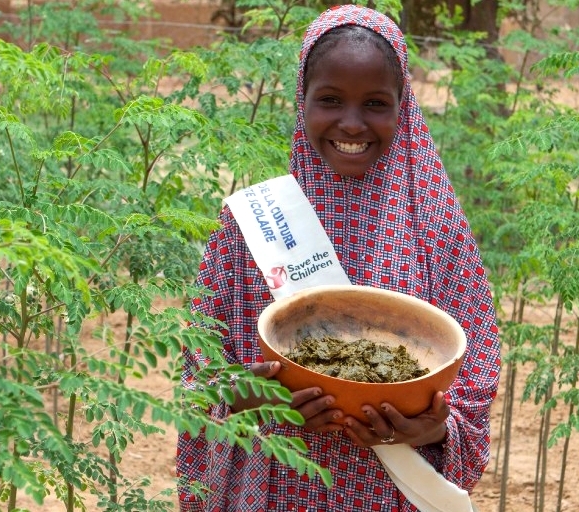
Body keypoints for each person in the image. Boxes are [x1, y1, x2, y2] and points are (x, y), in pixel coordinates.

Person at [176, 5, 501, 511]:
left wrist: (436, 427)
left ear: (404, 108)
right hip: (276, 486)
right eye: (329, 99)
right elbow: (199, 374)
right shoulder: (251, 226)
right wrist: (248, 400)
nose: (352, 123)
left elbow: (473, 379)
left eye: (375, 103)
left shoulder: (435, 230)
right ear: (301, 101)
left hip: (386, 492)